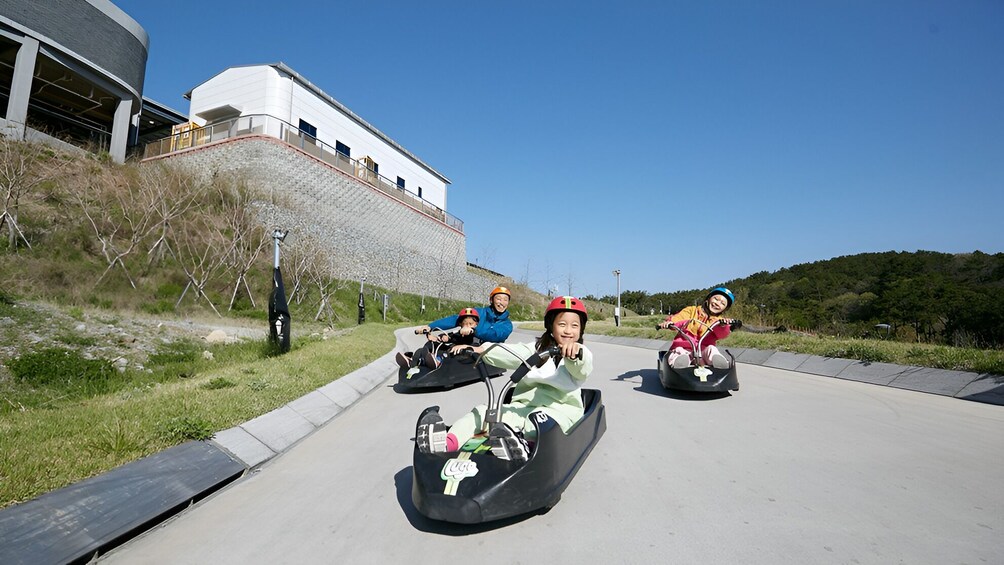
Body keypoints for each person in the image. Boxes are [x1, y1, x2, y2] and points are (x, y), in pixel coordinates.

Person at [415, 296, 592, 463]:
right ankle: (445, 443)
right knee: (482, 412)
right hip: (523, 409)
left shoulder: (580, 353)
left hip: (559, 412)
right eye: (562, 324)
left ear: (581, 329)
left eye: (574, 326)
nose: (568, 330)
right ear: (551, 326)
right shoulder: (536, 349)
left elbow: (582, 369)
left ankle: (523, 448)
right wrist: (478, 349)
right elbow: (509, 353)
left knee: (538, 423)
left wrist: (576, 354)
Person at [658, 286, 741, 369]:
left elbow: (722, 334)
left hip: (703, 351)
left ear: (725, 309)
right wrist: (671, 322)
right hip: (685, 348)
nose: (717, 303)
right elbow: (679, 318)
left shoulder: (719, 321)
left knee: (711, 349)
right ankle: (679, 363)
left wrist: (723, 326)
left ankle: (720, 364)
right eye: (716, 299)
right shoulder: (691, 311)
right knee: (679, 351)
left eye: (722, 303)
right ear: (708, 298)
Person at [413, 286, 513, 343]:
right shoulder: (479, 312)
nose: (502, 303)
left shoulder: (507, 324)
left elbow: (496, 336)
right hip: (471, 344)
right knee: (441, 340)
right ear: (491, 300)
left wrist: (473, 330)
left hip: (487, 351)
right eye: (498, 299)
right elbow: (456, 319)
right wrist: (431, 327)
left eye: (505, 300)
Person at [396, 307, 480, 369]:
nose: (467, 326)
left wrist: (469, 329)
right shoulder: (457, 332)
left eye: (470, 323)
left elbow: (471, 333)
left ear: (475, 324)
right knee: (430, 345)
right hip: (451, 347)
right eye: (465, 324)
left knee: (447, 353)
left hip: (462, 353)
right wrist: (436, 338)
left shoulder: (473, 333)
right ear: (460, 324)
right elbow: (450, 337)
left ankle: (437, 361)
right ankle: (414, 360)